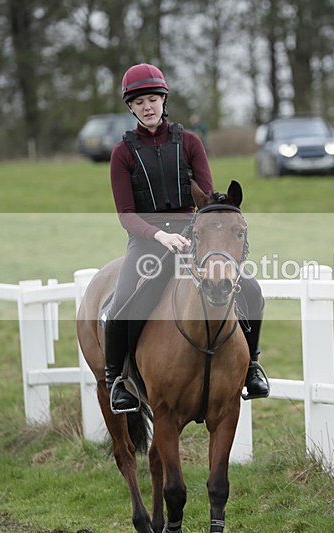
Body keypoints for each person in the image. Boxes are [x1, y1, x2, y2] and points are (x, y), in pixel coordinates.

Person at [105, 63, 270, 412]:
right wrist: (159, 237)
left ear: (164, 101)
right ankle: (117, 380)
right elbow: (125, 214)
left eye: (153, 99)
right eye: (139, 102)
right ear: (131, 108)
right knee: (121, 304)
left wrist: (193, 233)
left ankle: (252, 366)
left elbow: (208, 200)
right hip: (146, 242)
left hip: (194, 239)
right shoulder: (122, 153)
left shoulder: (191, 142)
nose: (147, 107)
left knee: (252, 289)